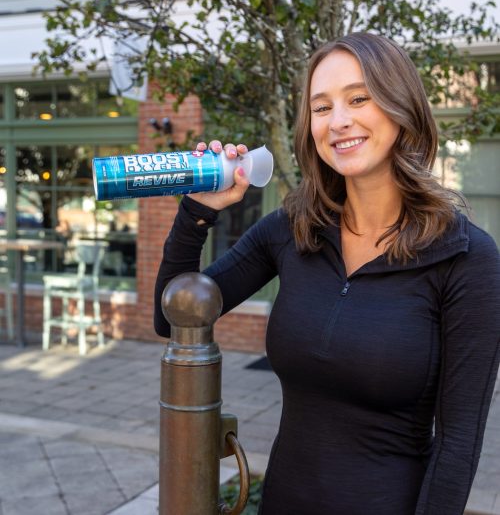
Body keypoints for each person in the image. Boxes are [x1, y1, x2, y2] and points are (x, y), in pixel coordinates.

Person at [154, 32, 500, 515]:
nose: (338, 121)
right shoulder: (292, 229)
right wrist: (197, 210)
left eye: (358, 98)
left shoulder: (465, 257)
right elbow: (172, 318)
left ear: (401, 107)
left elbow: (458, 444)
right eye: (321, 107)